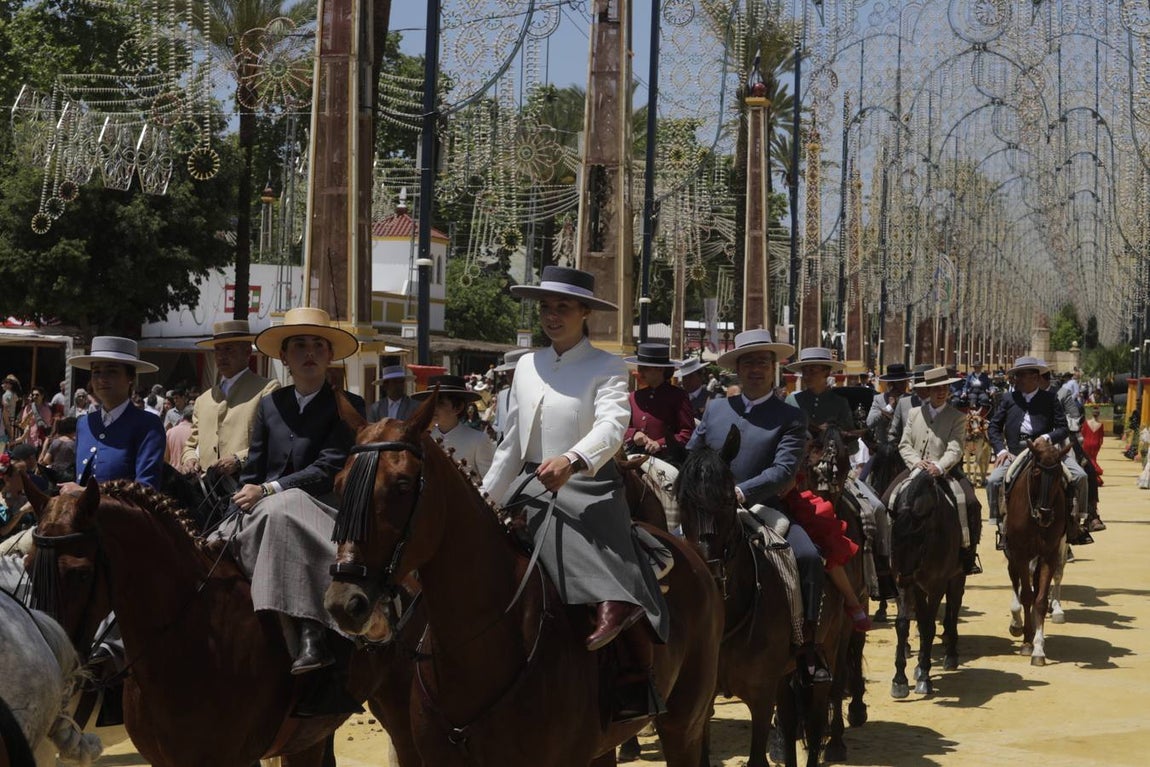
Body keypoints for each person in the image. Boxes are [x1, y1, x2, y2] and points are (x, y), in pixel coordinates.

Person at [481, 265, 668, 721]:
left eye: (563, 306)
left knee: (556, 514)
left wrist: (573, 460)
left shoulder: (607, 366)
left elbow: (611, 425)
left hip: (587, 482)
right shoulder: (525, 364)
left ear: (585, 312)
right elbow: (513, 442)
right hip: (528, 481)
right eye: (546, 306)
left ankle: (623, 620)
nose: (552, 315)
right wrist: (485, 498)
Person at [687, 329, 844, 684]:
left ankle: (807, 644)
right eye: (748, 362)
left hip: (766, 508)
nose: (755, 369)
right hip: (710, 511)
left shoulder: (789, 416)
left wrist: (741, 492)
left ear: (774, 368)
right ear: (737, 369)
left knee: (805, 556)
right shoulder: (715, 409)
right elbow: (693, 455)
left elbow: (783, 469)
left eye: (763, 362)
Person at [220, 307, 362, 690]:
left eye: (318, 345)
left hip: (323, 507)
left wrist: (268, 490)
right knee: (209, 540)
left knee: (281, 513)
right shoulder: (270, 404)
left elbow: (329, 467)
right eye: (299, 345)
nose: (309, 353)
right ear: (284, 357)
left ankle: (311, 630)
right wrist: (242, 497)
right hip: (266, 503)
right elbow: (255, 466)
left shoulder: (348, 405)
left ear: (330, 356)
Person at [986, 356, 1089, 549]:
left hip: (1046, 452)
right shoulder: (1008, 399)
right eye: (1016, 376)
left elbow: (1062, 428)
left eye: (1021, 376)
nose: (1017, 379)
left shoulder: (1050, 399)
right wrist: (1000, 451)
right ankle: (1001, 526)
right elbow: (993, 427)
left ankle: (1078, 523)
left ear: (1035, 377)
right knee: (993, 481)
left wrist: (1048, 438)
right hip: (1016, 453)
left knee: (1080, 476)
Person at [893, 367, 983, 574]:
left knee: (970, 502)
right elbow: (904, 444)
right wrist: (916, 462)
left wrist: (939, 466)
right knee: (887, 500)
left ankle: (967, 552)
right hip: (915, 469)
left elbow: (956, 447)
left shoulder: (957, 417)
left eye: (944, 387)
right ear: (927, 391)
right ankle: (888, 549)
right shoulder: (915, 414)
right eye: (936, 388)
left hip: (947, 471)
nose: (941, 392)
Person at [62, 337, 165, 491]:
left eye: (112, 371)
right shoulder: (84, 423)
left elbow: (146, 489)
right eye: (96, 372)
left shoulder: (148, 425)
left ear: (131, 377)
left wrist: (85, 492)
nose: (102, 379)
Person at [181, 320, 280, 478]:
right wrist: (190, 459)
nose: (221, 356)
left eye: (229, 349)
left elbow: (274, 441)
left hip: (246, 488)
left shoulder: (266, 389)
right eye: (217, 350)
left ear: (248, 352)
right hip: (206, 493)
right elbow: (191, 445)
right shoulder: (204, 399)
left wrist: (239, 459)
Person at [623, 343, 695, 467]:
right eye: (640, 367)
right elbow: (622, 427)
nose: (640, 371)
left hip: (667, 459)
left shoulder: (678, 396)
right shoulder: (633, 397)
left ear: (660, 369)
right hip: (634, 456)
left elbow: (687, 432)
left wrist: (660, 443)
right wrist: (633, 434)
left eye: (645, 368)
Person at [414, 374, 496, 479]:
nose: (433, 408)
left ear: (458, 407)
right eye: (431, 403)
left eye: (440, 403)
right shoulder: (423, 439)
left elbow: (489, 482)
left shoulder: (478, 440)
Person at [785, 347, 858, 455]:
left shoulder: (840, 403)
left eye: (812, 371)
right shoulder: (792, 401)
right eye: (804, 371)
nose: (807, 376)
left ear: (827, 372)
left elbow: (851, 444)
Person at [490, 348, 531, 443]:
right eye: (507, 373)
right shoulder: (502, 394)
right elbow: (498, 423)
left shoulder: (537, 394)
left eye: (513, 372)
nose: (509, 377)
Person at [867, 363, 913, 447]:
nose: (903, 385)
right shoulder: (879, 399)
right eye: (900, 383)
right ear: (891, 385)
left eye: (904, 382)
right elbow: (870, 422)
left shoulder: (911, 399)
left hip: (905, 447)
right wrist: (890, 407)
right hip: (883, 448)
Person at [38, 416, 77, 485]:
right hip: (69, 477)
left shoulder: (55, 442)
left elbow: (46, 460)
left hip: (54, 475)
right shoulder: (74, 444)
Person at [673, 357, 710, 421]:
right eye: (684, 377)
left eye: (690, 376)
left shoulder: (712, 399)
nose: (686, 380)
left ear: (701, 376)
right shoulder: (677, 398)